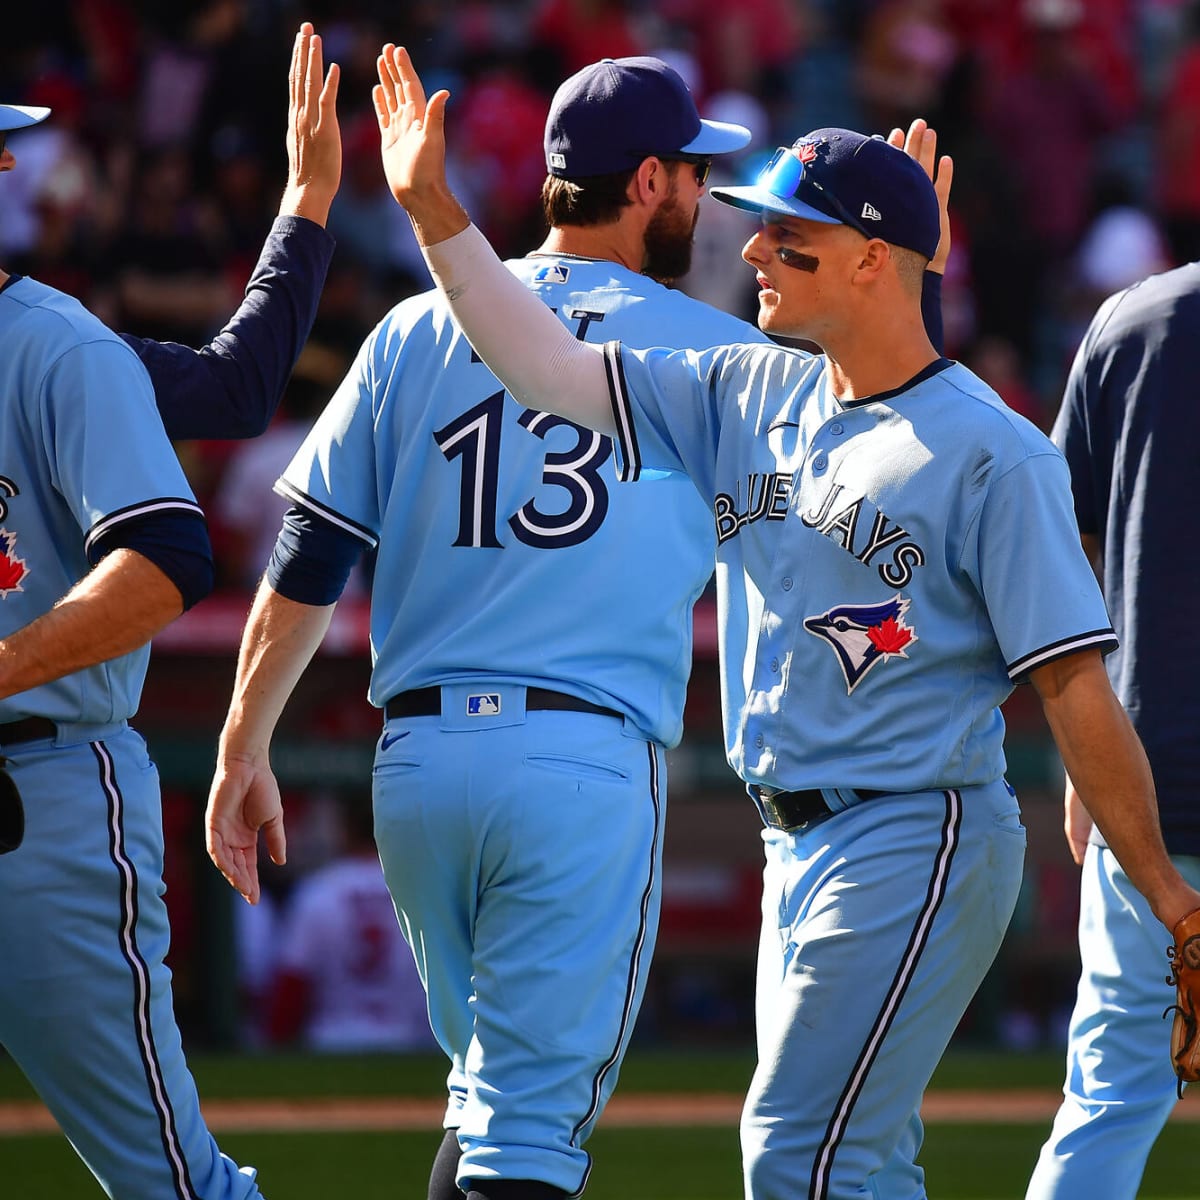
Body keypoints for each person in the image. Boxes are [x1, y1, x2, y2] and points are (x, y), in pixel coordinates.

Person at [371, 44, 1200, 1200]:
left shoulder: (995, 453)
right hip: (792, 840)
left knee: (801, 1157)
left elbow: (1073, 687)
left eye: (789, 234)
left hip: (915, 829)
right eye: (757, 223)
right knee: (851, 1165)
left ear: (872, 261)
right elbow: (550, 370)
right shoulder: (741, 388)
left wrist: (1165, 894)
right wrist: (437, 220)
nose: (751, 245)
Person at [203, 54, 794, 1200]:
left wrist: (242, 743)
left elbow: (311, 557)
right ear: (650, 182)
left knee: (487, 1108)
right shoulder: (722, 359)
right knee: (528, 1136)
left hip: (418, 766)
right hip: (580, 761)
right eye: (693, 175)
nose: (705, 199)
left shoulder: (416, 329)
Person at [0, 23, 340, 1200]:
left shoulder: (59, 349)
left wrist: (304, 213)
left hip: (35, 784)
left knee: (167, 1184)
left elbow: (177, 531)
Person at [1024, 265, 1200, 1195]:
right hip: (1140, 771)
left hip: (1145, 773)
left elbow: (1066, 547)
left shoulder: (1134, 319)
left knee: (1107, 1097)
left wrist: (1086, 755)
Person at [266, 792, 436, 1052]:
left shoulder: (317, 891)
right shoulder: (422, 890)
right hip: (409, 1044)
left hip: (329, 1045)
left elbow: (291, 990)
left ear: (345, 828)